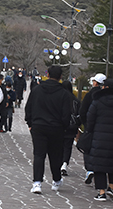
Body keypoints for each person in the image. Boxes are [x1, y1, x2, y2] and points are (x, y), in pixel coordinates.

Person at [25, 65, 72, 194]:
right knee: (55, 155)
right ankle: (56, 180)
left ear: (48, 75)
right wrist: (64, 127)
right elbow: (66, 114)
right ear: (60, 77)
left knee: (39, 155)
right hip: (56, 128)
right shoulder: (64, 94)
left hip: (38, 126)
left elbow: (28, 108)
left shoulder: (37, 90)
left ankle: (37, 183)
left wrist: (30, 122)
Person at [80, 73, 106, 184]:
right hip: (102, 127)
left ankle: (89, 169)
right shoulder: (106, 96)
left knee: (87, 148)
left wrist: (84, 123)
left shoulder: (90, 95)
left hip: (89, 126)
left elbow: (82, 110)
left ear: (95, 82)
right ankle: (98, 169)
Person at [61, 80, 81, 176]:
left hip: (60, 126)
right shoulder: (76, 100)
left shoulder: (60, 98)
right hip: (72, 126)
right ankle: (65, 164)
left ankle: (59, 163)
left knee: (59, 145)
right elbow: (80, 114)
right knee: (68, 146)